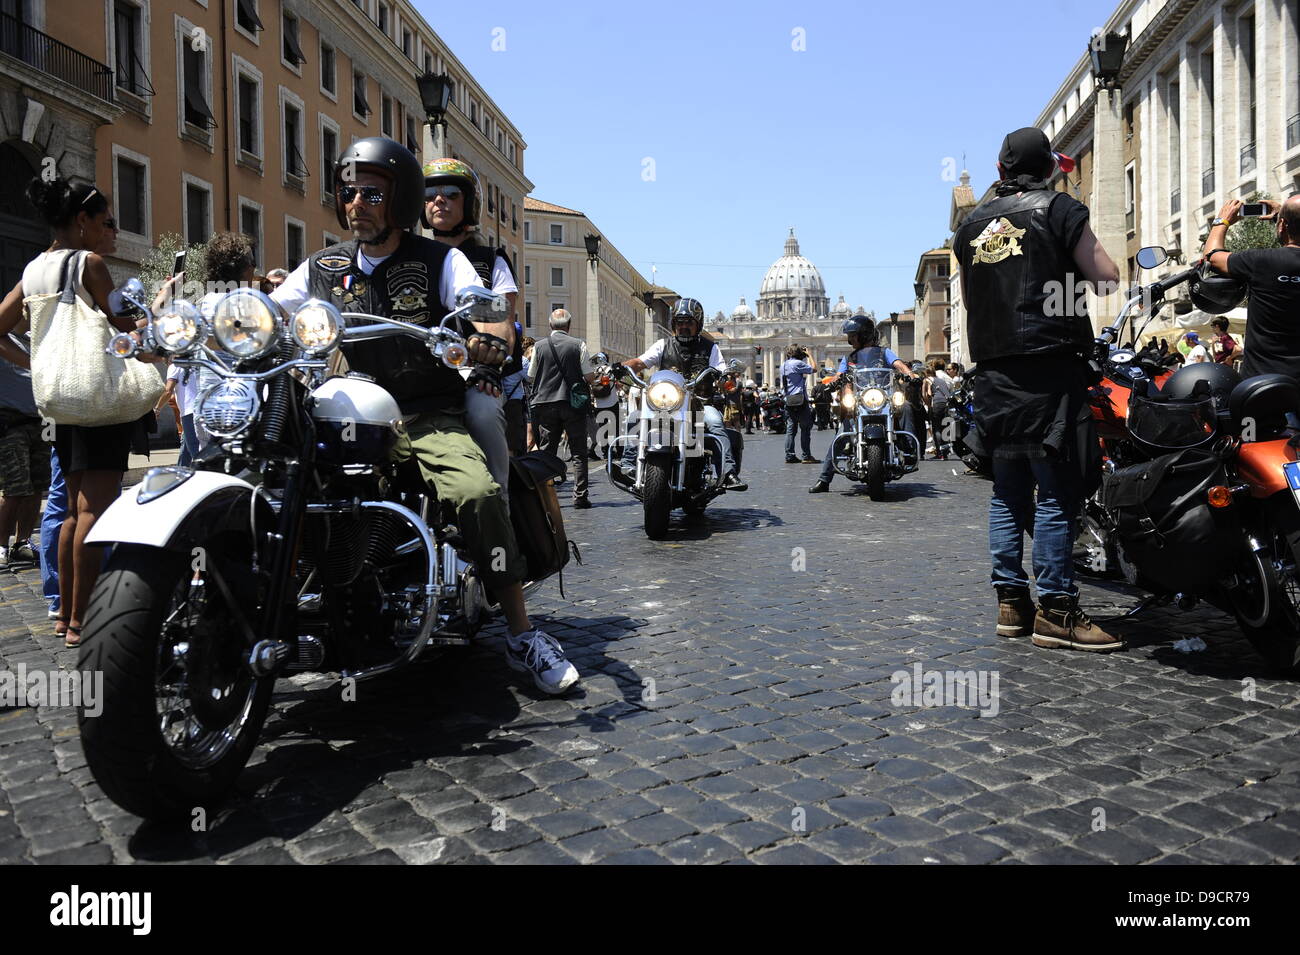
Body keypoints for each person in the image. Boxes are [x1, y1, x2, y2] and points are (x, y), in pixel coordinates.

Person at [272, 138, 578, 695]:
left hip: (426, 413)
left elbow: (478, 303)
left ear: (400, 199)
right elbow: (274, 308)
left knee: (478, 493)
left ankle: (520, 632)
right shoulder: (323, 266)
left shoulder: (440, 259)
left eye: (372, 193)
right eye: (349, 191)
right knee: (273, 483)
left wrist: (487, 339)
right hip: (345, 414)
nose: (356, 202)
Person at [953, 126, 1123, 652]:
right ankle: (1056, 610)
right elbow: (1108, 278)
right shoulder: (1056, 209)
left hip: (993, 376)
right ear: (1049, 166)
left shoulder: (970, 227)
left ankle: (1011, 604)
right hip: (1049, 368)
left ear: (1001, 172)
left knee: (1006, 493)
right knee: (1054, 492)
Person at [0, 177, 143, 647]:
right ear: (82, 220)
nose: (105, 230)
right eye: (102, 221)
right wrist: (153, 317)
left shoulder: (35, 269)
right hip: (96, 399)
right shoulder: (90, 264)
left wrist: (36, 363)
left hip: (60, 399)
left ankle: (63, 612)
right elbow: (124, 326)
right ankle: (82, 621)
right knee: (92, 512)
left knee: (68, 513)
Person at [422, 158, 519, 504]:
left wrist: (490, 360)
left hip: (472, 371)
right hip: (418, 373)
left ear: (468, 203)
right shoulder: (414, 256)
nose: (439, 201)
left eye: (450, 193)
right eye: (430, 194)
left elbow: (504, 318)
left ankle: (498, 500)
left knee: (483, 411)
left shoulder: (490, 259)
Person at [616, 298, 747, 491]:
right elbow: (641, 362)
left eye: (688, 322)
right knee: (635, 416)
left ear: (698, 324)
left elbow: (720, 369)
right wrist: (618, 368)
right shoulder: (663, 345)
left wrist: (724, 375)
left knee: (716, 422)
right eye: (679, 322)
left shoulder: (711, 347)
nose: (683, 326)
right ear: (673, 324)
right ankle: (628, 465)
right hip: (665, 403)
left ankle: (727, 472)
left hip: (700, 404)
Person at [809, 316, 922, 493]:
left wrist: (911, 375)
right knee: (842, 432)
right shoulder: (850, 358)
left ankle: (909, 449)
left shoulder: (884, 352)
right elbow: (841, 375)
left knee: (906, 406)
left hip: (884, 396)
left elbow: (899, 365)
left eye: (853, 335)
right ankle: (824, 478)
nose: (850, 339)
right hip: (860, 399)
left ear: (864, 334)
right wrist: (830, 384)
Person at [1203, 196, 1300, 384]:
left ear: (1282, 225)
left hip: (1264, 387)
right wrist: (1283, 219)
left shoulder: (1261, 261)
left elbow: (1212, 257)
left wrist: (1221, 221)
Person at [527, 309, 596, 508]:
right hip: (572, 405)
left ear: (550, 325)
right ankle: (580, 496)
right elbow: (589, 376)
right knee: (578, 453)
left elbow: (531, 376)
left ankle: (547, 496)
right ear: (569, 325)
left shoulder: (538, 347)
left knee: (547, 452)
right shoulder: (578, 345)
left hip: (546, 404)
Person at [781, 344, 817, 463]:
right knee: (805, 428)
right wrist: (809, 354)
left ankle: (789, 455)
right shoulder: (797, 363)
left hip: (789, 400)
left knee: (790, 430)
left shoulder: (783, 365)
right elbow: (814, 368)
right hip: (800, 400)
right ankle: (806, 456)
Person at [927, 358, 955, 459]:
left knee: (937, 428)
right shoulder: (947, 377)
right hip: (946, 403)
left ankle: (939, 452)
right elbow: (952, 389)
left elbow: (928, 393)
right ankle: (946, 452)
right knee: (945, 427)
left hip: (936, 403)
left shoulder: (932, 377)